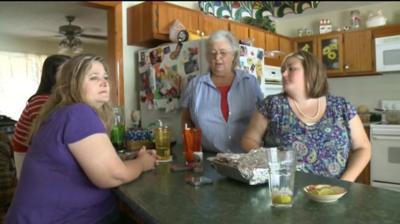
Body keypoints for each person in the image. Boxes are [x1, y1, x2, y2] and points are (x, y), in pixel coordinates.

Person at [5, 54, 158, 223]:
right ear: (72, 84)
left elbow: (81, 162)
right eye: (94, 77)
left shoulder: (61, 113)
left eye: (105, 77)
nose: (104, 82)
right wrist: (143, 163)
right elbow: (114, 176)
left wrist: (122, 160)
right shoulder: (78, 113)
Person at [241, 50, 371, 182]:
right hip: (286, 191)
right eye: (283, 70)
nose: (284, 74)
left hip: (333, 193)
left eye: (291, 69)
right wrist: (269, 160)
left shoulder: (341, 106)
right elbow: (249, 139)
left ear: (311, 72)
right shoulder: (272, 105)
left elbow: (363, 148)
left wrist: (345, 183)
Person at [180, 30, 263, 153]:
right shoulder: (195, 85)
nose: (217, 58)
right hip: (209, 158)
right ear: (208, 57)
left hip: (246, 158)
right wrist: (192, 147)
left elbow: (263, 117)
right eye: (213, 53)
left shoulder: (250, 82)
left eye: (223, 53)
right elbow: (186, 119)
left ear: (233, 55)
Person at [11, 54, 70, 179]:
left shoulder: (57, 100)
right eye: (65, 72)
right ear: (52, 76)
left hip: (39, 151)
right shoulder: (42, 101)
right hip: (27, 154)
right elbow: (50, 137)